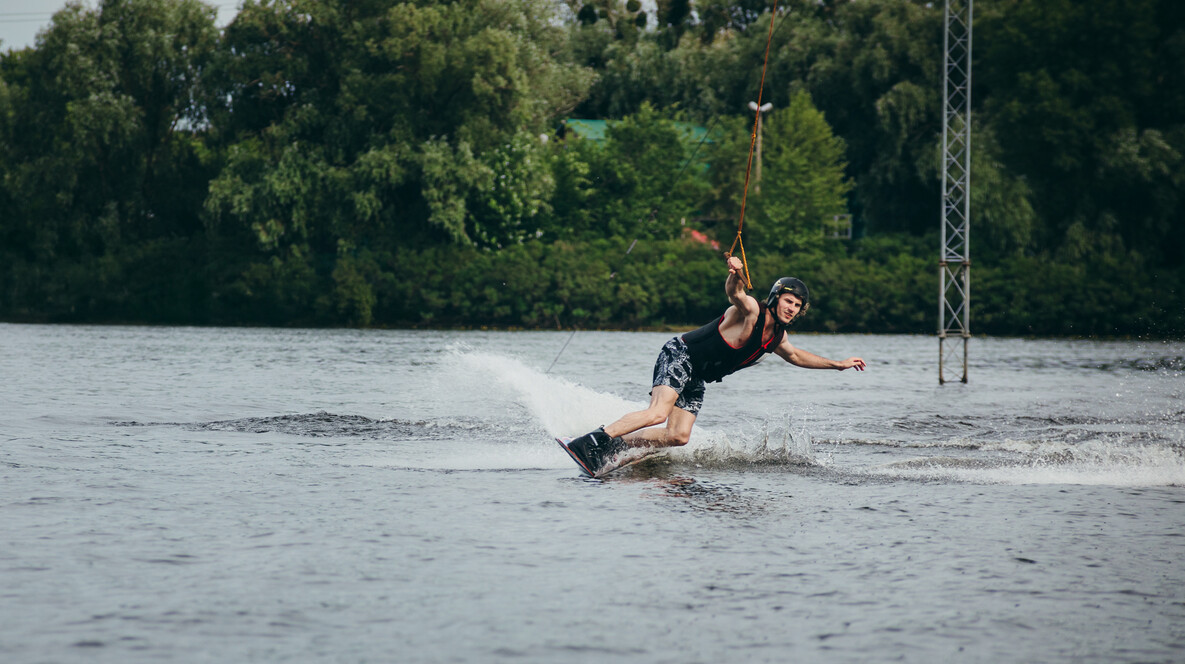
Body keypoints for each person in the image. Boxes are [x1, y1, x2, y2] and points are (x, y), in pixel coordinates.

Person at [559, 255, 866, 476]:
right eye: (789, 301)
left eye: (797, 306)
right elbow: (736, 293)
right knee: (658, 413)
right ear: (776, 298)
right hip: (680, 355)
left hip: (698, 377)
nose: (792, 308)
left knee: (678, 436)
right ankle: (591, 441)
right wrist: (735, 271)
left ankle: (616, 447)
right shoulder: (753, 311)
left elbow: (798, 357)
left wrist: (838, 365)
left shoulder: (776, 338)